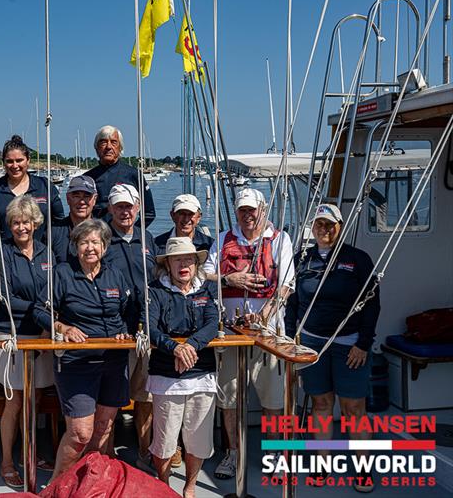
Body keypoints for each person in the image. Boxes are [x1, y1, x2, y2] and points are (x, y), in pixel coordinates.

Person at [286, 203, 380, 493]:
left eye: (330, 225)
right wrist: (290, 339)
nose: (324, 230)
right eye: (319, 224)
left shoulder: (358, 259)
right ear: (312, 227)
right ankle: (322, 464)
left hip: (349, 345)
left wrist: (363, 344)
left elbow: (372, 304)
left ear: (340, 228)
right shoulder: (303, 259)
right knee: (321, 405)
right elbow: (292, 303)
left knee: (354, 408)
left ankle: (363, 470)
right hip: (312, 344)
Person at [203, 187, 294, 479]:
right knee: (228, 399)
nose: (247, 215)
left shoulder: (280, 240)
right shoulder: (223, 240)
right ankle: (233, 453)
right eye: (242, 210)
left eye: (252, 210)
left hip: (268, 334)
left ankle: (274, 455)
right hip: (230, 335)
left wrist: (264, 317)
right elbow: (204, 275)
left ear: (263, 209)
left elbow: (286, 286)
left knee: (273, 400)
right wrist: (230, 277)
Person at [34, 219, 133, 480]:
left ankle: (90, 484)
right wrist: (63, 328)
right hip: (76, 364)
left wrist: (126, 330)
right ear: (76, 246)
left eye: (95, 242)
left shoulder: (115, 275)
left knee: (103, 428)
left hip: (114, 361)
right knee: (80, 433)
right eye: (84, 242)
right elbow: (39, 311)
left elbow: (128, 312)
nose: (90, 247)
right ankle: (58, 486)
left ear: (105, 246)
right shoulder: (62, 274)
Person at [0, 195, 55, 489]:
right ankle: (6, 461)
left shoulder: (47, 254)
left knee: (36, 398)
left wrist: (45, 323)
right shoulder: (1, 256)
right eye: (16, 222)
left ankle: (32, 451)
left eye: (26, 221)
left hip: (41, 336)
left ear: (35, 223)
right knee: (13, 401)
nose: (21, 227)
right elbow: (4, 299)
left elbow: (55, 293)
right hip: (11, 335)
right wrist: (39, 310)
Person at [148, 237, 218, 498]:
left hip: (202, 375)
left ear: (196, 263)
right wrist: (174, 348)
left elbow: (212, 324)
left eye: (188, 259)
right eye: (177, 259)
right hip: (166, 376)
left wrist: (189, 346)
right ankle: (164, 487)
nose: (183, 264)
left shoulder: (206, 291)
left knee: (198, 440)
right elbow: (152, 329)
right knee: (165, 441)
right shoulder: (154, 291)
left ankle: (190, 488)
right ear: (167, 264)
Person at [102, 183, 157, 472]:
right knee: (110, 399)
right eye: (119, 206)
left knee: (144, 397)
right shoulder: (101, 239)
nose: (125, 211)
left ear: (137, 209)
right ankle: (107, 457)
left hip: (145, 329)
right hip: (114, 331)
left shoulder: (147, 238)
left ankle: (145, 452)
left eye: (129, 206)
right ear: (110, 209)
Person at [0, 135, 64, 251]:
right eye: (9, 161)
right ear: (3, 163)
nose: (15, 166)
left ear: (28, 160)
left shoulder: (45, 186)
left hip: (39, 257)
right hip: (0, 259)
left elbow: (59, 224)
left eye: (19, 160)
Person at [84, 125, 155, 226]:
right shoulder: (87, 179)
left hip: (124, 236)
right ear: (96, 148)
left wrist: (133, 233)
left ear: (120, 147)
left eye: (113, 142)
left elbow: (149, 214)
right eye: (103, 142)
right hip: (97, 237)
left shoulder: (134, 175)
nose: (108, 147)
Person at [50, 175, 98, 263]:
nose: (82, 202)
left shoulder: (102, 231)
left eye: (87, 196)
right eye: (76, 196)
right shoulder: (53, 233)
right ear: (68, 198)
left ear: (94, 199)